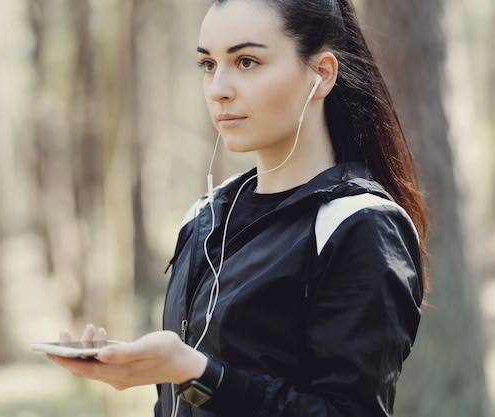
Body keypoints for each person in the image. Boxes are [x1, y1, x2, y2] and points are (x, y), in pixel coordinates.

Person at [46, 0, 429, 416]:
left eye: (246, 62)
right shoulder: (205, 217)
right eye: (208, 65)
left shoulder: (358, 224)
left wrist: (197, 375)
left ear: (321, 75)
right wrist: (155, 369)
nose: (218, 89)